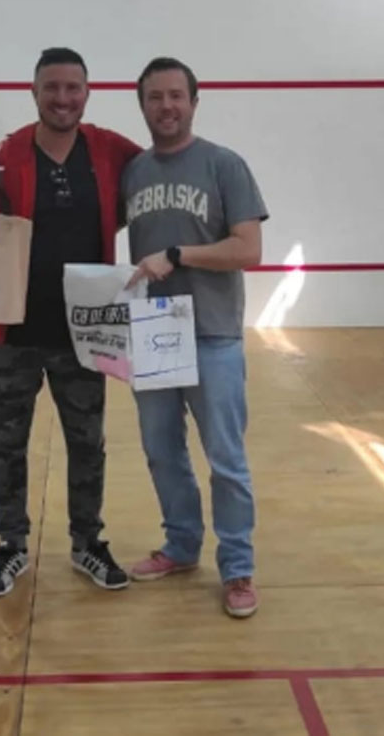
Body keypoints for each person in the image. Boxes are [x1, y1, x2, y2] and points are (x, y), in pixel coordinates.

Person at [0, 48, 141, 597]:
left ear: (88, 93)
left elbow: (153, 180)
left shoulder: (110, 149)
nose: (62, 98)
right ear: (34, 92)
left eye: (73, 88)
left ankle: (87, 542)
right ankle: (11, 545)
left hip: (84, 334)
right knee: (7, 446)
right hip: (10, 337)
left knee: (87, 444)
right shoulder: (2, 156)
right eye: (52, 87)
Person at [122, 57, 268, 618]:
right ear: (143, 105)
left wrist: (178, 255)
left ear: (194, 102)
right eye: (155, 97)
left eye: (176, 96)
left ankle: (238, 568)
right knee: (162, 452)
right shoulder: (134, 171)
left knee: (225, 460)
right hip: (153, 331)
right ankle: (182, 546)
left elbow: (248, 250)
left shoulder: (224, 165)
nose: (166, 106)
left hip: (213, 335)